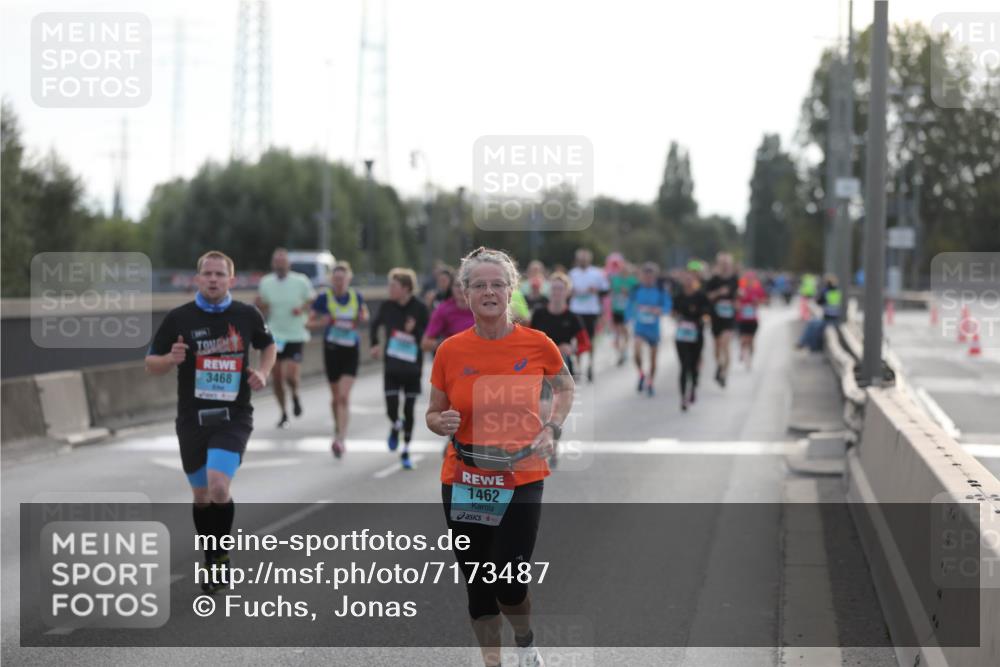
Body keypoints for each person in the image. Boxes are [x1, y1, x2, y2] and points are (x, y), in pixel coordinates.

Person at [426, 247, 574, 667]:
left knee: (508, 580)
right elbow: (433, 413)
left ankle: (525, 640)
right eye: (479, 285)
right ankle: (492, 662)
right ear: (466, 294)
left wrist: (553, 426)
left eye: (497, 284)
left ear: (511, 291)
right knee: (478, 585)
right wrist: (440, 423)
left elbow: (565, 387)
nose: (488, 291)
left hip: (521, 474)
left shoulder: (538, 343)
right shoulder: (450, 351)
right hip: (466, 477)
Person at [146, 251, 275, 592]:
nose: (214, 279)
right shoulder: (179, 318)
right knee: (202, 496)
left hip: (233, 416)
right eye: (208, 274)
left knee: (219, 486)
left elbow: (269, 345)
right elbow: (151, 363)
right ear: (198, 278)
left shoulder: (246, 314)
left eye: (220, 274)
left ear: (231, 280)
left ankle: (220, 559)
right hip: (192, 418)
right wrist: (169, 359)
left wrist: (263, 372)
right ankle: (211, 554)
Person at [308, 261, 369, 458]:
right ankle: (338, 429)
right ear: (331, 280)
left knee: (343, 396)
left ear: (348, 279)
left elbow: (365, 315)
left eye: (342, 279)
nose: (339, 282)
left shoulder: (355, 296)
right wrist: (321, 322)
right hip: (332, 349)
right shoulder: (323, 298)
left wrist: (361, 317)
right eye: (336, 278)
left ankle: (340, 439)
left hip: (351, 351)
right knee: (335, 399)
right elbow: (309, 322)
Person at [371, 267, 430, 470]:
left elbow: (430, 334)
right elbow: (374, 324)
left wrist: (416, 331)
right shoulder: (387, 306)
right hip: (392, 365)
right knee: (391, 407)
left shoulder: (420, 308)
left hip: (413, 367)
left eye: (393, 286)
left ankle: (406, 450)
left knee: (409, 410)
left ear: (405, 288)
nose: (389, 289)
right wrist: (374, 344)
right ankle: (396, 425)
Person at [255, 247, 314, 428]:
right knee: (277, 377)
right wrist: (261, 305)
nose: (280, 265)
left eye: (283, 262)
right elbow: (261, 305)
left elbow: (311, 299)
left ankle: (295, 394)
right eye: (277, 262)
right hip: (275, 335)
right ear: (273, 264)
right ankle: (283, 413)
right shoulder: (266, 282)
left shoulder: (301, 281)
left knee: (291, 375)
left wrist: (301, 309)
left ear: (289, 264)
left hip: (295, 333)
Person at [630, 262, 672, 397]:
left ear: (654, 277)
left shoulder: (660, 290)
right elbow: (630, 305)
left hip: (654, 329)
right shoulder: (636, 289)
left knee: (653, 359)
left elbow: (668, 305)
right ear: (641, 276)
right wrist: (630, 315)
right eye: (645, 276)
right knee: (636, 351)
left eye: (650, 276)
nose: (648, 279)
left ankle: (650, 382)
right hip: (640, 327)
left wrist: (660, 310)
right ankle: (641, 373)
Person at [568, 248, 609, 383]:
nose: (583, 261)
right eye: (580, 259)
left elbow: (606, 291)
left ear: (589, 260)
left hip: (591, 311)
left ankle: (590, 365)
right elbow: (567, 292)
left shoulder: (596, 273)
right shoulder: (572, 273)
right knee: (577, 340)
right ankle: (579, 368)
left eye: (585, 259)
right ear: (577, 260)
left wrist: (596, 290)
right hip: (576, 310)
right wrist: (571, 292)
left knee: (590, 340)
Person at [672, 269, 710, 411]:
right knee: (684, 366)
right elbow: (673, 312)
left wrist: (703, 319)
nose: (688, 282)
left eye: (690, 279)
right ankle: (683, 398)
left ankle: (693, 386)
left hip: (696, 335)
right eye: (685, 279)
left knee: (693, 366)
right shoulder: (678, 296)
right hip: (682, 335)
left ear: (695, 281)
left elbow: (707, 313)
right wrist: (676, 317)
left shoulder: (700, 296)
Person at [704, 252, 739, 388]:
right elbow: (707, 296)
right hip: (716, 317)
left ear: (730, 265)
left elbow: (737, 296)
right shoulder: (713, 280)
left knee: (726, 345)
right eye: (722, 264)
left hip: (729, 318)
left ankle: (724, 373)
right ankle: (719, 366)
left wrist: (736, 302)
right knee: (717, 348)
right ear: (718, 264)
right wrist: (719, 293)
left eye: (727, 264)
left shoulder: (734, 279)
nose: (725, 266)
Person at [421, 277, 475, 354]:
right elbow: (425, 343)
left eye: (465, 285)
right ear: (451, 288)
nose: (461, 288)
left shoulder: (482, 307)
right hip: (454, 359)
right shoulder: (443, 309)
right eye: (457, 285)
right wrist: (451, 342)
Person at [735, 270, 767, 369]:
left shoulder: (757, 289)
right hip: (742, 319)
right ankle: (742, 352)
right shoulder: (741, 289)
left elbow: (764, 300)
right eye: (747, 279)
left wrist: (758, 301)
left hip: (753, 319)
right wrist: (738, 305)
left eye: (751, 279)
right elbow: (735, 300)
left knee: (751, 341)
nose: (749, 280)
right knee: (743, 339)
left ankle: (750, 359)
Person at [610, 262, 638, 366]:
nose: (624, 271)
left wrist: (628, 293)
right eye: (623, 269)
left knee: (625, 331)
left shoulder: (633, 281)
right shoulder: (616, 279)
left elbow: (635, 294)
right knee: (617, 333)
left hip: (628, 311)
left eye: (627, 269)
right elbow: (613, 289)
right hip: (617, 309)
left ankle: (624, 350)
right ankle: (620, 353)